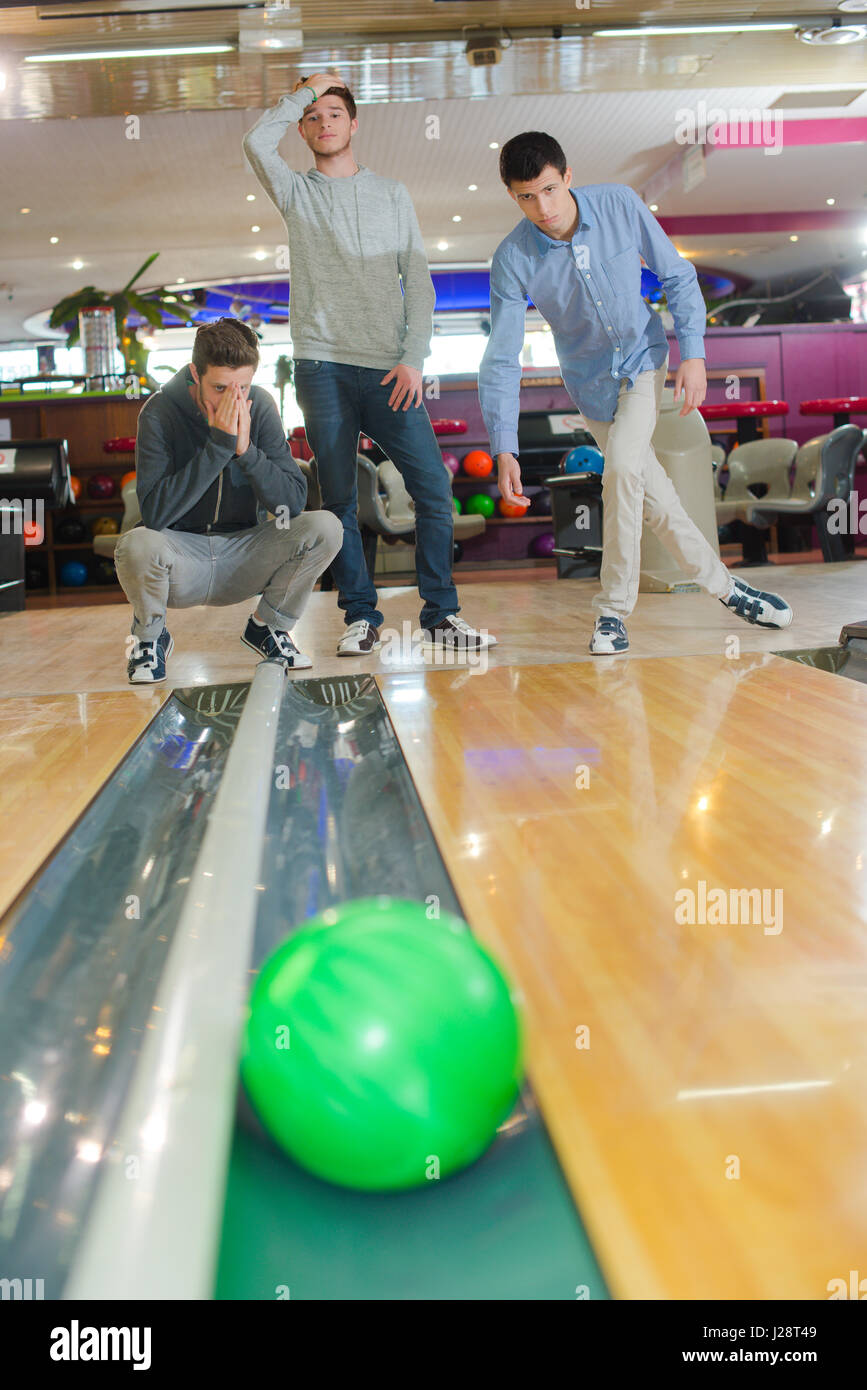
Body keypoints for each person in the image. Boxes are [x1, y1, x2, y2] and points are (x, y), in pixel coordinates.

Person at [479, 131, 793, 654]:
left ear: (568, 177)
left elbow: (677, 275)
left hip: (643, 362)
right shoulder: (512, 258)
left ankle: (611, 611)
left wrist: (694, 355)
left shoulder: (620, 205)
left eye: (551, 190)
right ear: (513, 196)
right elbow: (502, 357)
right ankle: (728, 588)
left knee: (623, 468)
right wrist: (503, 445)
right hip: (591, 385)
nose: (544, 207)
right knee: (654, 496)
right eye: (526, 197)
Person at [242, 72, 496, 656]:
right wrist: (306, 90)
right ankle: (360, 615)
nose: (323, 122)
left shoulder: (392, 194)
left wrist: (413, 359)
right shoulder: (295, 192)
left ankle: (441, 615)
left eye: (334, 113)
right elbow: (256, 143)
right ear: (303, 128)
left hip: (390, 371)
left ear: (354, 124)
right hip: (321, 367)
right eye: (313, 117)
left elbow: (421, 285)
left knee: (433, 489)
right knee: (339, 501)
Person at [115, 317, 342, 683]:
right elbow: (155, 513)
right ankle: (150, 638)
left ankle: (268, 627)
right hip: (182, 559)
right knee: (136, 544)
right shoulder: (158, 413)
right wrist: (220, 445)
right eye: (219, 387)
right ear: (195, 373)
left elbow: (291, 505)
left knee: (325, 526)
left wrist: (246, 451)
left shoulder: (261, 406)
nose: (233, 401)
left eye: (243, 387)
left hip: (244, 553)